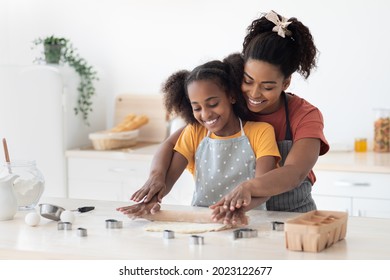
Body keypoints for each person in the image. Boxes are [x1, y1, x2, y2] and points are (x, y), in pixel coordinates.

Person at [125, 10, 329, 223]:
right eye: (248, 81)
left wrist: (247, 187)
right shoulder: (227, 106)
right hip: (238, 217)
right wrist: (156, 179)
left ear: (285, 83)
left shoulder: (305, 116)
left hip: (294, 218)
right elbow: (171, 144)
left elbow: (294, 173)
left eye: (267, 86)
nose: (254, 93)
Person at [117, 54, 281, 223]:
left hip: (249, 221)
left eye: (213, 104)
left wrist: (235, 209)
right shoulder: (195, 132)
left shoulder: (261, 132)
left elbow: (264, 187)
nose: (205, 114)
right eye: (197, 108)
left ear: (231, 96)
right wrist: (151, 199)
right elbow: (168, 180)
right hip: (202, 222)